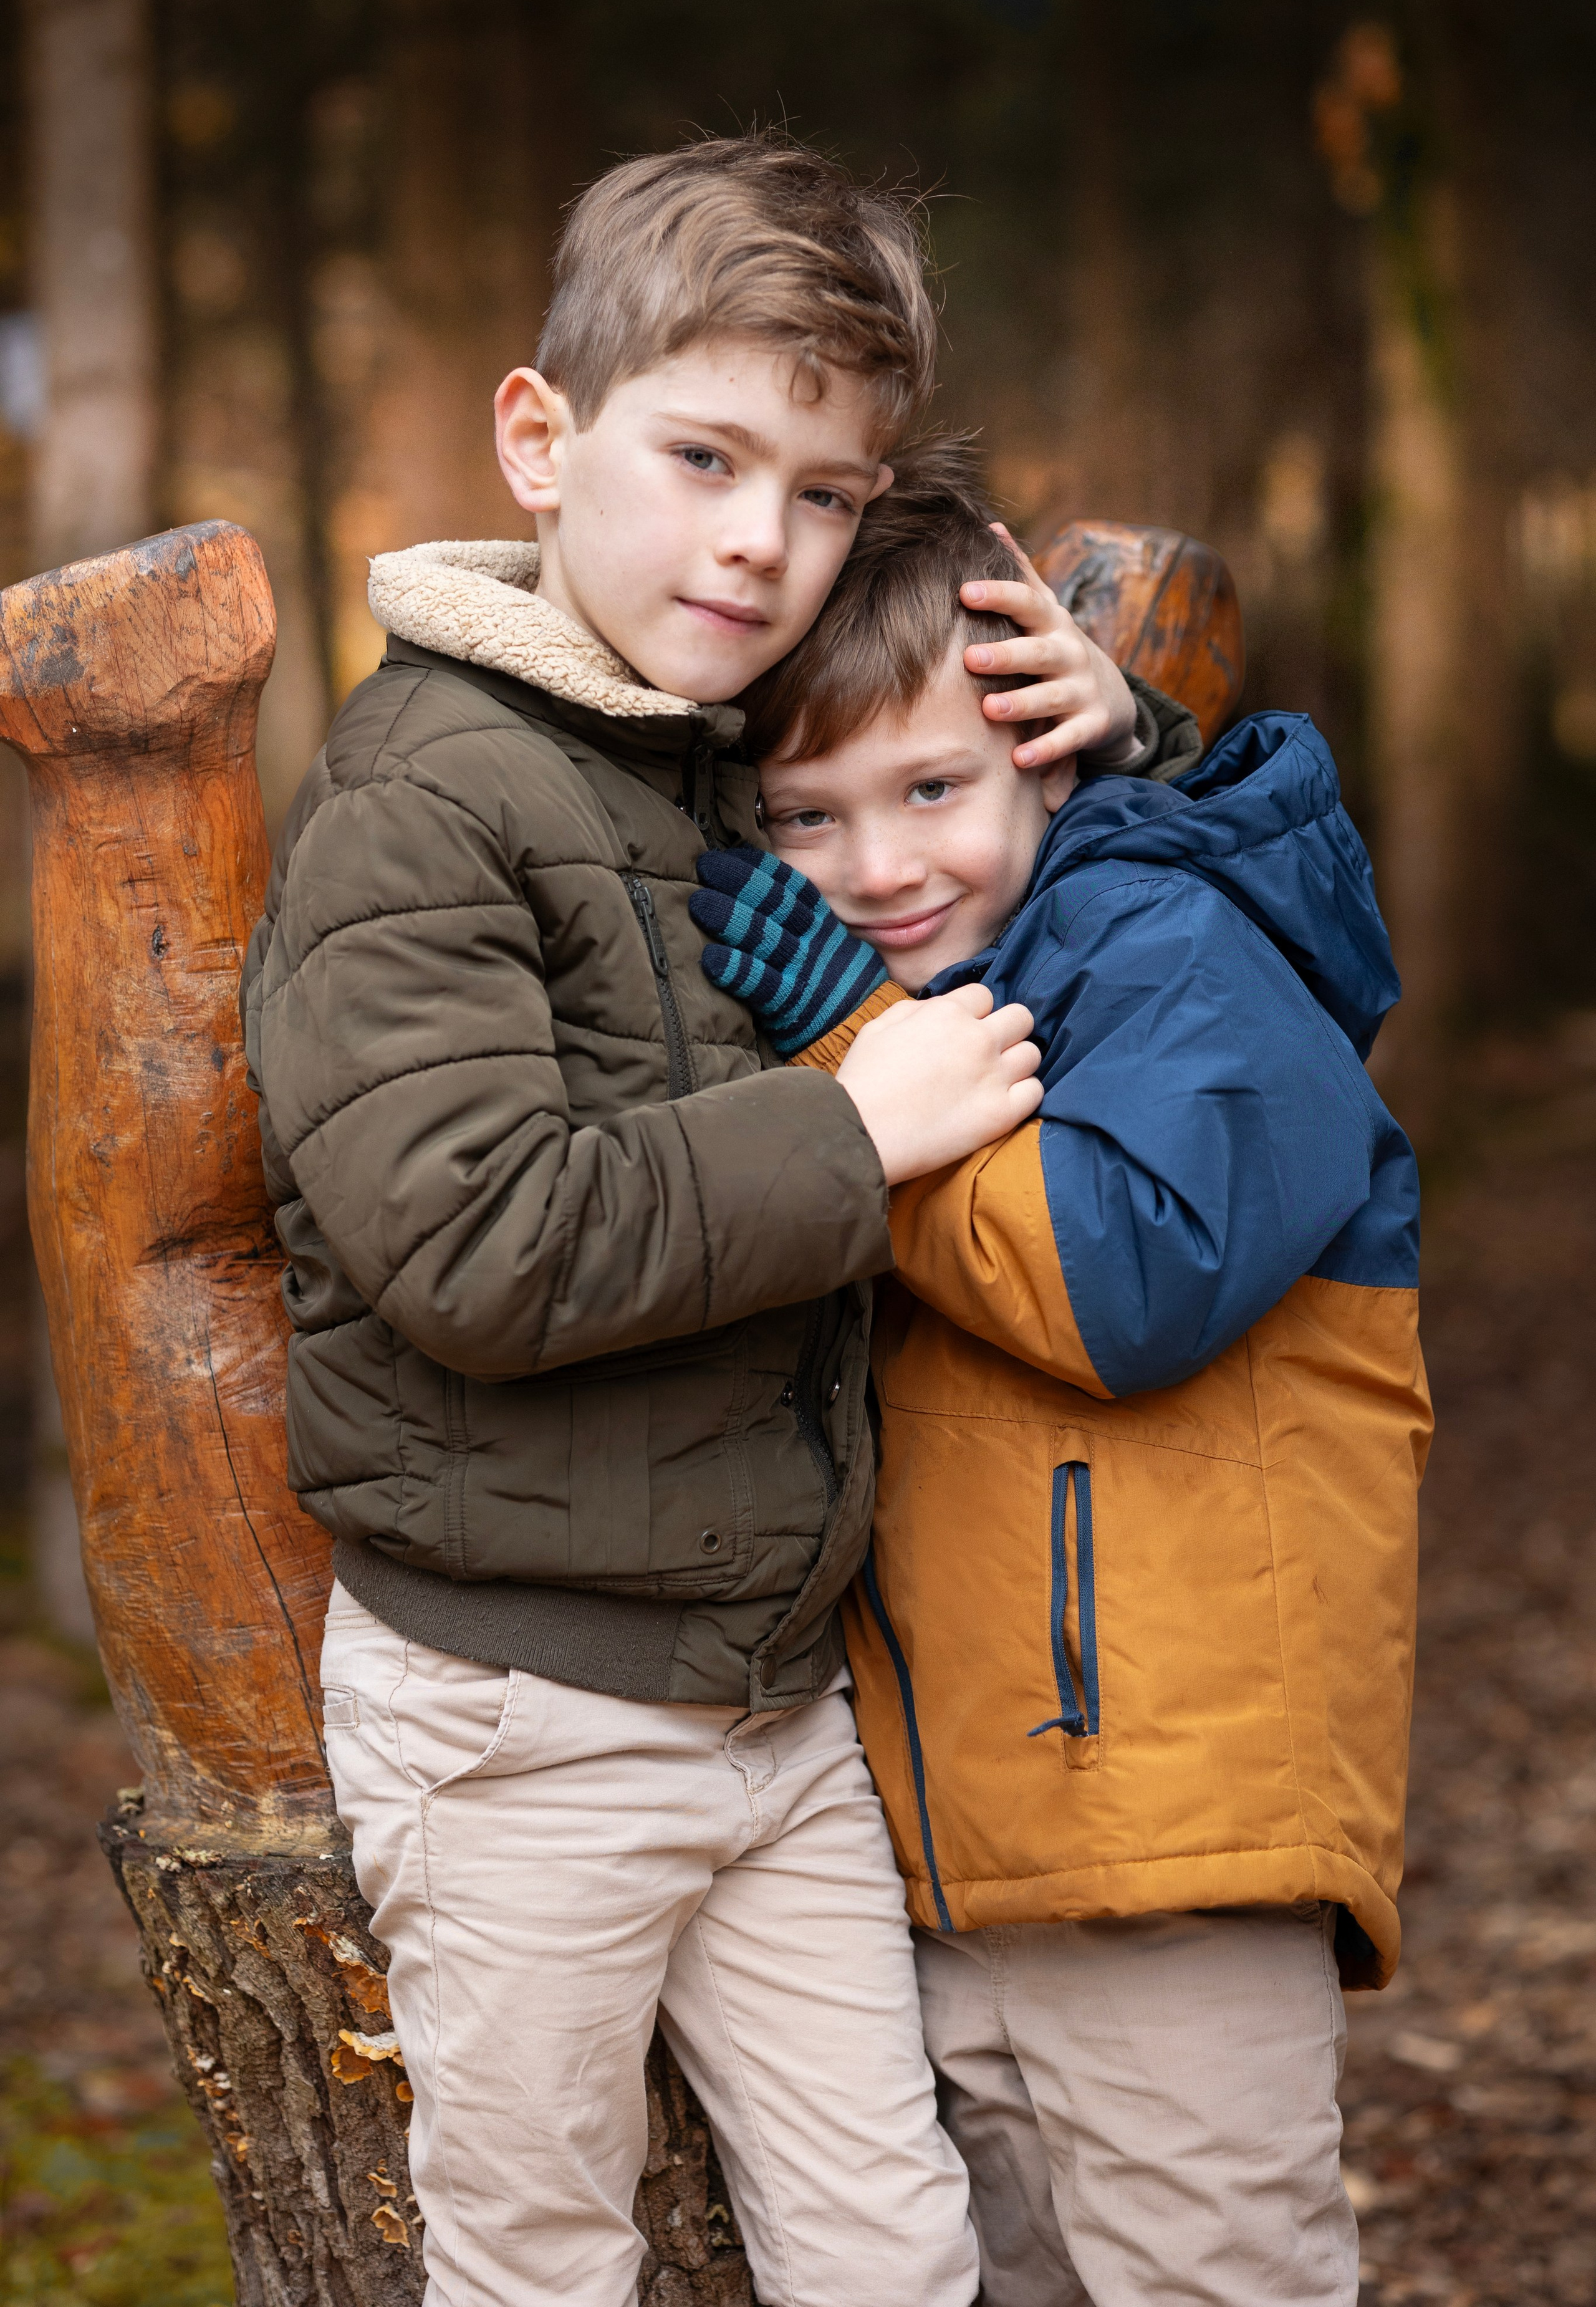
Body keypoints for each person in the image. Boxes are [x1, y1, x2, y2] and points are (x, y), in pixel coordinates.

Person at [241, 135, 1155, 2307]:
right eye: (707, 455)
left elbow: (972, 831)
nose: (763, 539)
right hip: (514, 1705)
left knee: (886, 2244)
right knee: (541, 2253)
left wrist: (1130, 737)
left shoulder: (721, 764)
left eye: (826, 491)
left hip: (772, 1699)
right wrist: (861, 1138)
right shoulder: (427, 802)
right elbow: (477, 1238)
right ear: (542, 442)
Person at [691, 440, 1432, 2307]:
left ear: (1049, 747)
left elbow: (1125, 1282)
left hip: (1172, 1848)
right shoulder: (964, 980)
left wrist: (855, 1057)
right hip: (955, 1862)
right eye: (805, 817)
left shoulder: (1184, 947)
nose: (878, 867)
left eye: (930, 786)